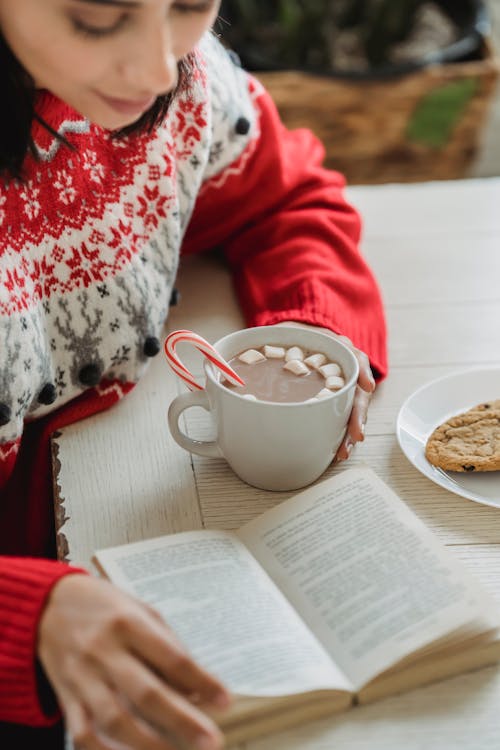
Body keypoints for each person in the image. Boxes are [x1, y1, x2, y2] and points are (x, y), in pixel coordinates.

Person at [0, 0, 388, 748]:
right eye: (96, 17)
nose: (158, 69)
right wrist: (23, 615)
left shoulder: (189, 89)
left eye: (189, 5)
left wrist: (311, 333)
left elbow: (288, 199)